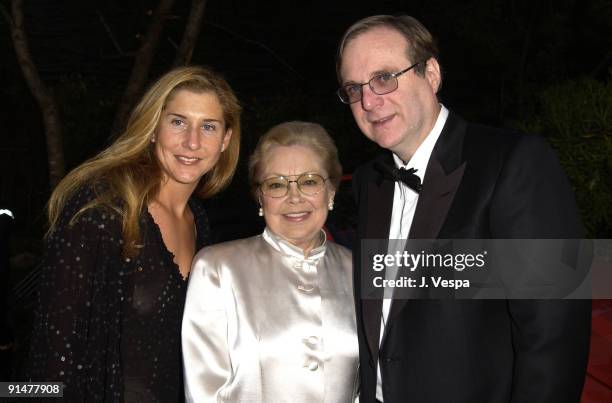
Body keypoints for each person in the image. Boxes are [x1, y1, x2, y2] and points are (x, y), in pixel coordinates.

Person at [336, 15, 591, 403]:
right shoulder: (371, 182)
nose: (369, 101)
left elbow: (554, 336)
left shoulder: (514, 163)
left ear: (432, 74)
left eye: (385, 77)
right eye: (354, 89)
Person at [25, 65, 241, 402]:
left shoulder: (199, 222)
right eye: (178, 121)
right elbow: (55, 354)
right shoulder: (103, 209)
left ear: (226, 140)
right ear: (154, 127)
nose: (193, 141)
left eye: (209, 127)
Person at [182, 121, 359, 403]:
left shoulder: (359, 272)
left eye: (310, 181)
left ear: (331, 192)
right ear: (260, 198)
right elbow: (204, 393)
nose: (294, 197)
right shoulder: (217, 268)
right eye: (276, 184)